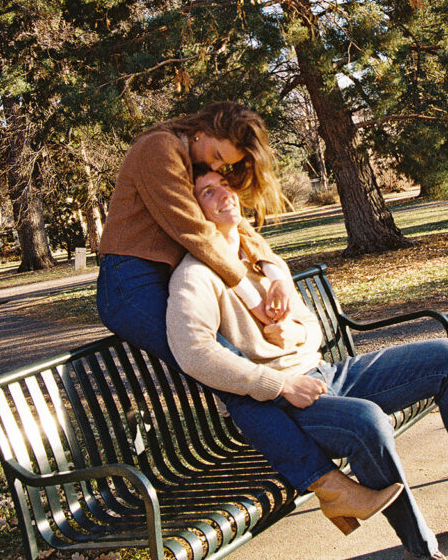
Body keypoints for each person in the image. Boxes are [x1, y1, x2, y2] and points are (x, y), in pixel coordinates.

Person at [166, 167, 448, 560]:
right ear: (191, 211)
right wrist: (276, 384)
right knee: (366, 421)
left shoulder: (255, 254)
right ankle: (420, 553)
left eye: (224, 184)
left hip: (328, 373)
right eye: (207, 191)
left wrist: (291, 320)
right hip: (284, 401)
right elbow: (193, 353)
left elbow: (310, 327)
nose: (224, 194)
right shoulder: (195, 275)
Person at [97, 101, 398, 531]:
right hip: (129, 286)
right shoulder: (159, 149)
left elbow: (238, 230)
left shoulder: (189, 161)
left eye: (227, 165)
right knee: (228, 377)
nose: (216, 165)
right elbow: (195, 233)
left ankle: (331, 483)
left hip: (157, 279)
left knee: (233, 376)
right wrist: (251, 298)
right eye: (217, 156)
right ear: (203, 129)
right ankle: (330, 488)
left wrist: (276, 275)